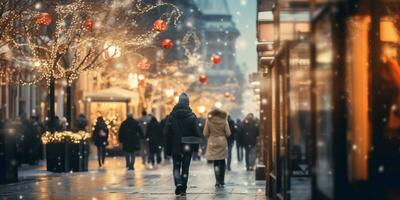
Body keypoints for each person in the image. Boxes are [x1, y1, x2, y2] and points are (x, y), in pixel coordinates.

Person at [164, 93, 202, 196]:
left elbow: (166, 132)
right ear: (188, 103)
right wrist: (196, 146)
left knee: (176, 166)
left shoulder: (171, 116)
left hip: (175, 145)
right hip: (187, 146)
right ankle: (183, 188)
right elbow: (197, 133)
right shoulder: (192, 116)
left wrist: (168, 145)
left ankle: (178, 183)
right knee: (185, 167)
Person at [203, 108, 231, 188]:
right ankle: (222, 180)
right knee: (222, 160)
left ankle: (217, 181)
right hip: (222, 142)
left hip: (212, 142)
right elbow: (228, 133)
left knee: (215, 162)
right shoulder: (224, 120)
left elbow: (205, 133)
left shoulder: (209, 120)